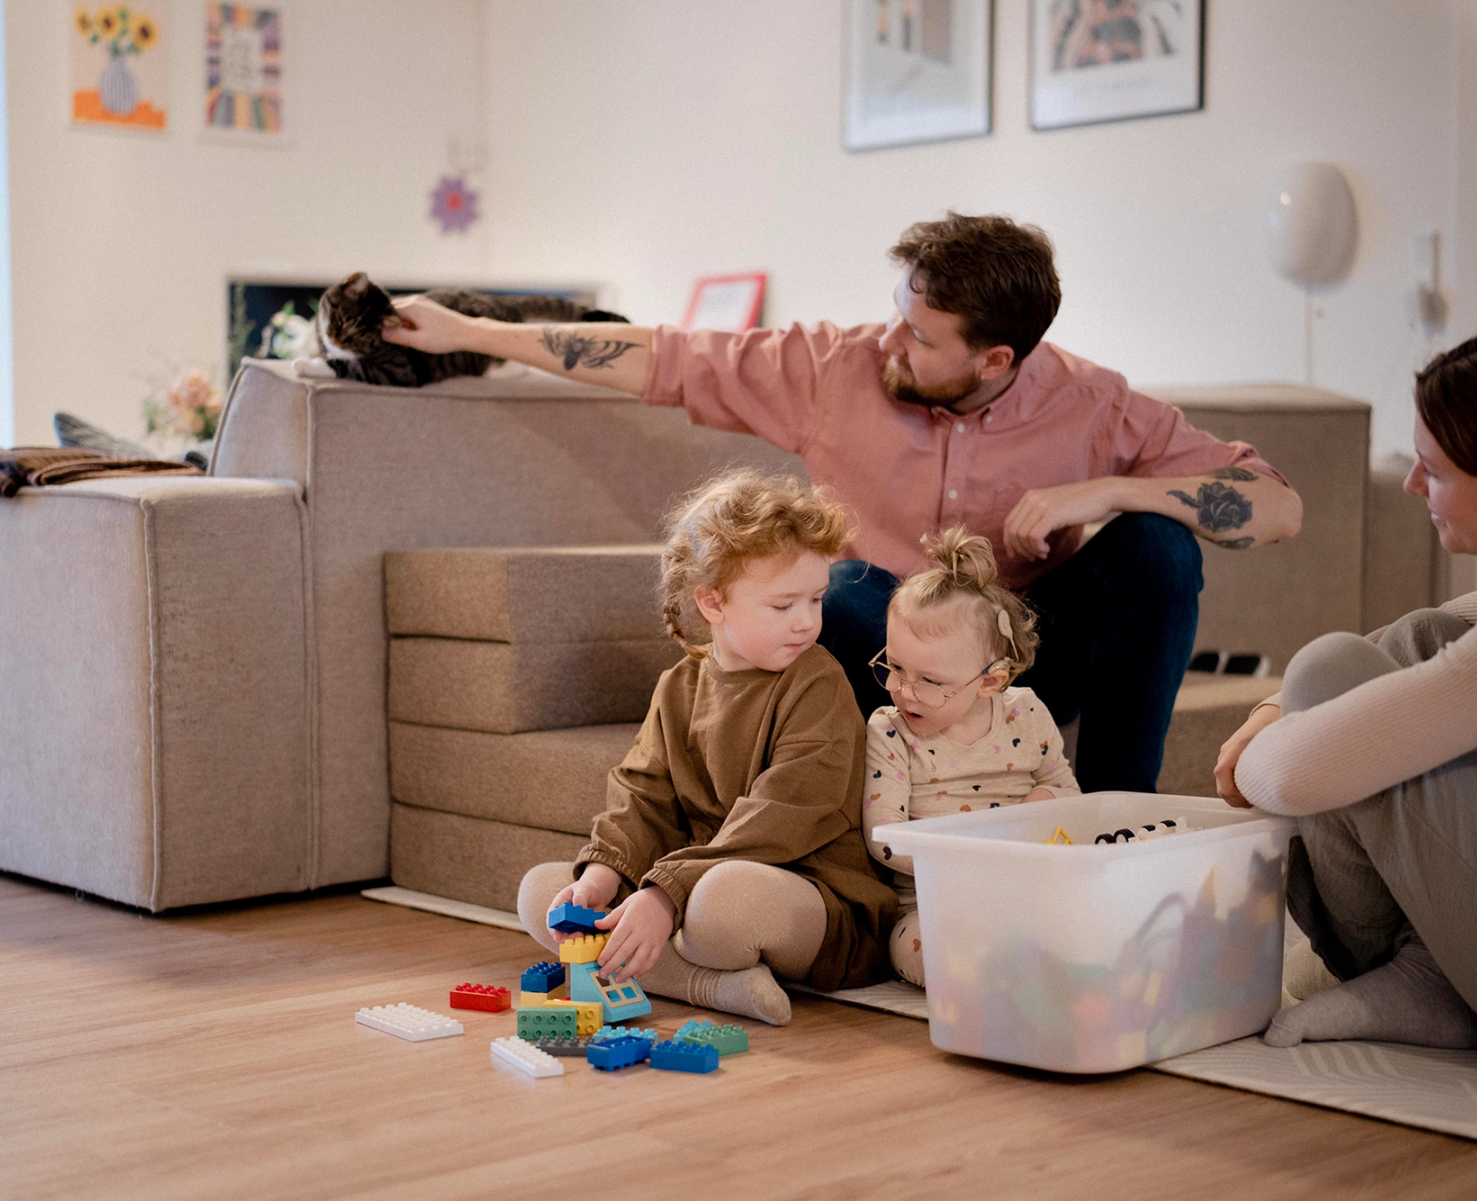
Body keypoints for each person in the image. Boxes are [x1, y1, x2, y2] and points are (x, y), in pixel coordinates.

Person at [382, 213, 1304, 793]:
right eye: (897, 311)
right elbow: (664, 357)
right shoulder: (835, 366)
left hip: (1014, 666)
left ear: (996, 360)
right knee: (850, 576)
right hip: (880, 655)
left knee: (1158, 546)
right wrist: (473, 330)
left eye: (919, 334)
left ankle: (1113, 819)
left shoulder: (1092, 403)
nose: (889, 341)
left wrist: (1104, 490)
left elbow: (1275, 508)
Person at [1213, 319, 1477, 1086]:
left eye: (1432, 470)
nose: (1410, 484)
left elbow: (1296, 777)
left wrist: (1264, 749)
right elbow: (1414, 640)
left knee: (1341, 685)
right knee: (1376, 654)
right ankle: (1442, 975)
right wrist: (1274, 709)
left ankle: (1420, 970)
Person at [514, 470, 896, 1026]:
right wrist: (603, 874)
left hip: (813, 894)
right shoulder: (678, 687)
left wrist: (664, 896)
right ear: (712, 604)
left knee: (723, 904)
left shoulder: (818, 681)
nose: (808, 621)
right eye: (783, 605)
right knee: (544, 895)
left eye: (815, 600)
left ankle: (677, 969)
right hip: (694, 876)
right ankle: (712, 984)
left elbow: (784, 814)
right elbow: (641, 796)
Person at [861, 528, 1080, 986]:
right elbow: (883, 837)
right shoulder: (890, 728)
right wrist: (976, 857)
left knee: (1093, 922)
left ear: (990, 682)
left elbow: (1069, 795)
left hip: (1030, 890)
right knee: (933, 949)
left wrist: (1044, 803)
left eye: (930, 681)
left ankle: (1044, 966)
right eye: (895, 667)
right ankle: (1002, 974)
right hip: (933, 907)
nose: (903, 690)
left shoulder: (1028, 712)